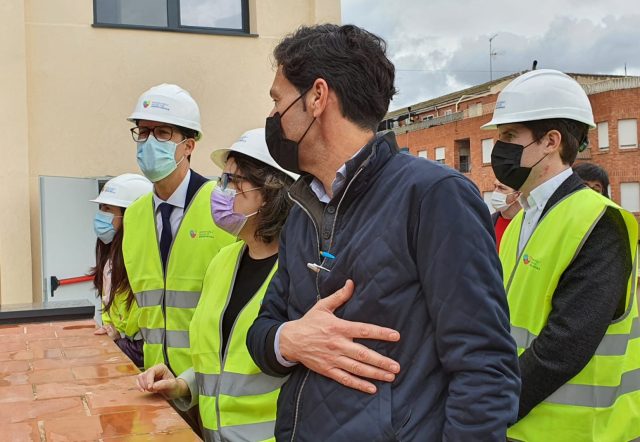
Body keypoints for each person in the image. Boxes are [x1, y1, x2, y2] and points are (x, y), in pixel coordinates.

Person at [247, 24, 520, 441]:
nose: (271, 117)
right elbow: (262, 332)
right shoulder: (302, 208)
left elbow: (484, 366)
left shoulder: (434, 196)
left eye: (277, 100)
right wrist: (290, 339)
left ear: (317, 97)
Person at [482, 69, 640, 441]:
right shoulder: (520, 223)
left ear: (551, 141)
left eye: (509, 136)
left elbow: (565, 345)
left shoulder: (599, 221)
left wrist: (490, 407)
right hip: (520, 428)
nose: (498, 149)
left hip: (586, 432)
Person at [136, 128, 297, 441]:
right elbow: (218, 361)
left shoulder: (298, 272)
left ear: (270, 194)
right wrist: (181, 384)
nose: (218, 191)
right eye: (221, 179)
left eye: (232, 182)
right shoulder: (223, 261)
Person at [90, 173, 152, 367]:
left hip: (142, 361)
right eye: (101, 208)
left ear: (132, 215)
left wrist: (117, 343)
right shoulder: (110, 259)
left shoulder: (146, 264)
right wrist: (109, 331)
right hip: (126, 353)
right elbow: (109, 310)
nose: (101, 215)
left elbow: (147, 341)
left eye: (107, 209)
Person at [491, 180, 521, 250]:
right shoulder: (487, 222)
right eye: (495, 187)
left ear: (517, 195)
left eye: (501, 188)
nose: (495, 192)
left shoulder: (529, 223)